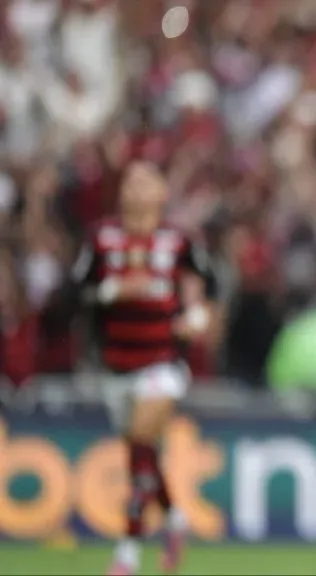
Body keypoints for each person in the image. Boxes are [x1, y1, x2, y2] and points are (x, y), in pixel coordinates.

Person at [67, 162, 217, 576]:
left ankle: (127, 553)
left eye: (146, 181)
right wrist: (114, 290)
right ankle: (175, 520)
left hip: (163, 361)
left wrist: (197, 318)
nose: (136, 188)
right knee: (144, 452)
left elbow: (210, 285)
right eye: (130, 181)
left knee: (139, 444)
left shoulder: (178, 241)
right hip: (116, 364)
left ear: (162, 193)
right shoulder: (102, 238)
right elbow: (74, 292)